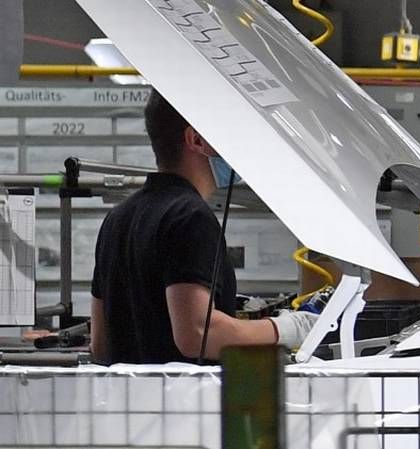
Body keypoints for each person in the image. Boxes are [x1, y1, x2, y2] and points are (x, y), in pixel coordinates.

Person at [89, 94, 314, 364]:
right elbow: (197, 334)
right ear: (195, 139)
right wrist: (288, 328)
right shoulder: (190, 217)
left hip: (129, 401)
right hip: (184, 401)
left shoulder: (117, 218)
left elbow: (100, 345)